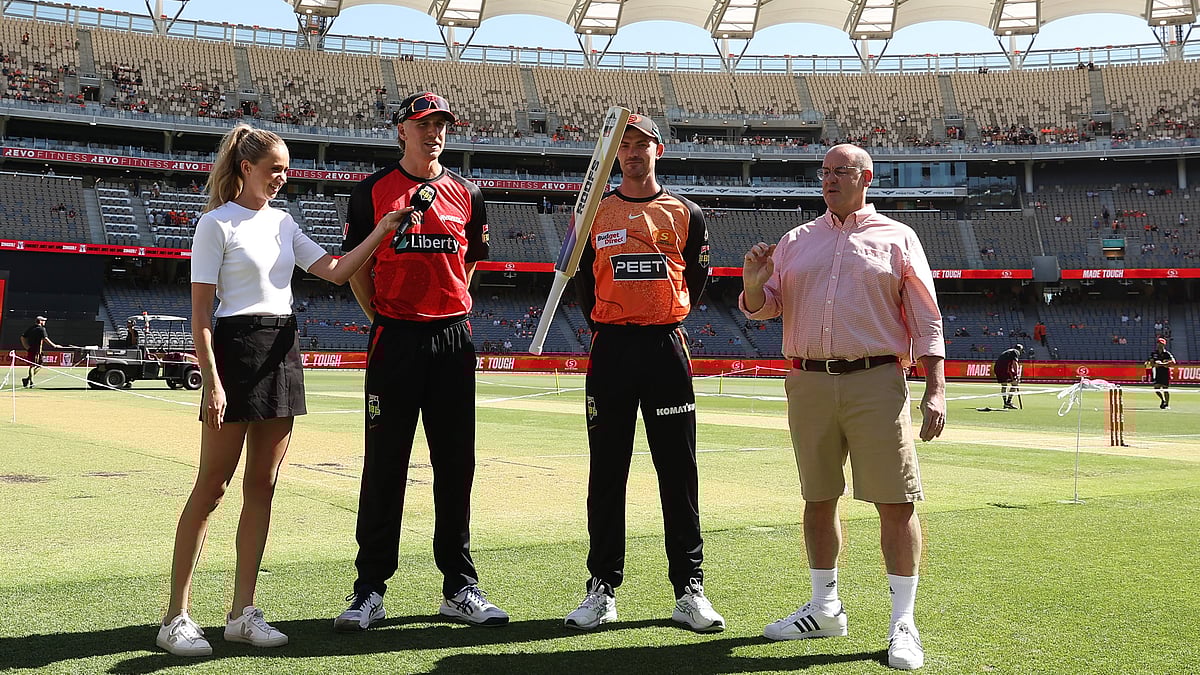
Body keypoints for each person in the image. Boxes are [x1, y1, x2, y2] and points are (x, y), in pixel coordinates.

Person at [157, 124, 405, 657]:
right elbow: (201, 317)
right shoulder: (213, 224)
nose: (283, 176)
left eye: (286, 168)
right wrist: (212, 382)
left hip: (280, 349)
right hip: (234, 349)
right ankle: (176, 616)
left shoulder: (285, 223)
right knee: (212, 487)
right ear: (245, 167)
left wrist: (383, 228)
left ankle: (242, 613)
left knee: (262, 488)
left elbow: (337, 272)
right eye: (275, 168)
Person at [740, 144, 945, 671]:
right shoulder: (794, 241)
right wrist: (753, 286)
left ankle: (903, 621)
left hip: (878, 378)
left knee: (896, 502)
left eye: (841, 171)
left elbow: (925, 315)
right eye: (825, 172)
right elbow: (766, 311)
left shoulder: (898, 237)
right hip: (808, 380)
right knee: (818, 497)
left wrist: (935, 385)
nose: (830, 179)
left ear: (866, 177)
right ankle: (825, 606)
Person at [334, 91, 508, 632]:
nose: (434, 132)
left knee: (455, 467)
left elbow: (468, 268)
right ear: (400, 131)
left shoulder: (470, 194)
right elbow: (358, 268)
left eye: (441, 124)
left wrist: (443, 312)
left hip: (452, 338)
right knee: (385, 466)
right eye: (422, 123)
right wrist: (386, 318)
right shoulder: (370, 193)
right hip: (395, 339)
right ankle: (369, 590)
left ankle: (459, 587)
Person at [564, 114, 723, 634]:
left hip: (664, 348)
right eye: (623, 145)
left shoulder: (687, 212)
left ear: (659, 150)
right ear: (615, 155)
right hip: (611, 348)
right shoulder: (595, 212)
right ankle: (602, 588)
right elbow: (583, 281)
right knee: (607, 473)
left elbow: (696, 278)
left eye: (641, 144)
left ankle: (689, 589)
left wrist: (663, 316)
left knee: (678, 473)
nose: (632, 153)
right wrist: (610, 323)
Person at [20, 315, 63, 388]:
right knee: (33, 366)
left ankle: (27, 379)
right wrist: (54, 345)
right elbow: (46, 339)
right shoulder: (42, 329)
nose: (45, 322)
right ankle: (31, 382)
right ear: (40, 321)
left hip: (32, 349)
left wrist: (26, 347)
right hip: (37, 350)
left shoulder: (31, 328)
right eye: (43, 321)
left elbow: (22, 337)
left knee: (36, 365)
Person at [1147, 337, 1176, 409]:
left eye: (1161, 344)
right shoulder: (1154, 353)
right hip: (1158, 373)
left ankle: (1167, 404)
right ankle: (1163, 400)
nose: (1160, 345)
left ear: (1164, 345)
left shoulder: (1167, 354)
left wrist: (1161, 364)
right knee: (1156, 388)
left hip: (1165, 373)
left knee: (1165, 389)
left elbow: (1173, 362)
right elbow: (1152, 363)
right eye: (1159, 343)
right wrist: (1156, 364)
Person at [994, 344, 1024, 410]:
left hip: (997, 369)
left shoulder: (1007, 351)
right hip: (1005, 369)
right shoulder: (1015, 352)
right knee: (1015, 384)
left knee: (1004, 385)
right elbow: (1014, 363)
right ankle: (1008, 402)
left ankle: (1005, 403)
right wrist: (1017, 374)